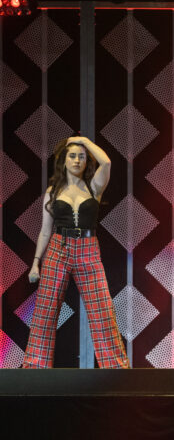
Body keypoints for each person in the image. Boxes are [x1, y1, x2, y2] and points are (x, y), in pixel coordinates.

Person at [22, 136, 129, 369]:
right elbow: (45, 231)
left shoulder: (94, 186)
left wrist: (82, 141)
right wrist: (35, 263)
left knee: (102, 309)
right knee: (46, 309)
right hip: (58, 248)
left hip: (88, 249)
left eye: (81, 157)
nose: (77, 160)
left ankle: (116, 367)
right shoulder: (53, 191)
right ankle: (35, 366)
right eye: (72, 156)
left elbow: (107, 162)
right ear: (64, 160)